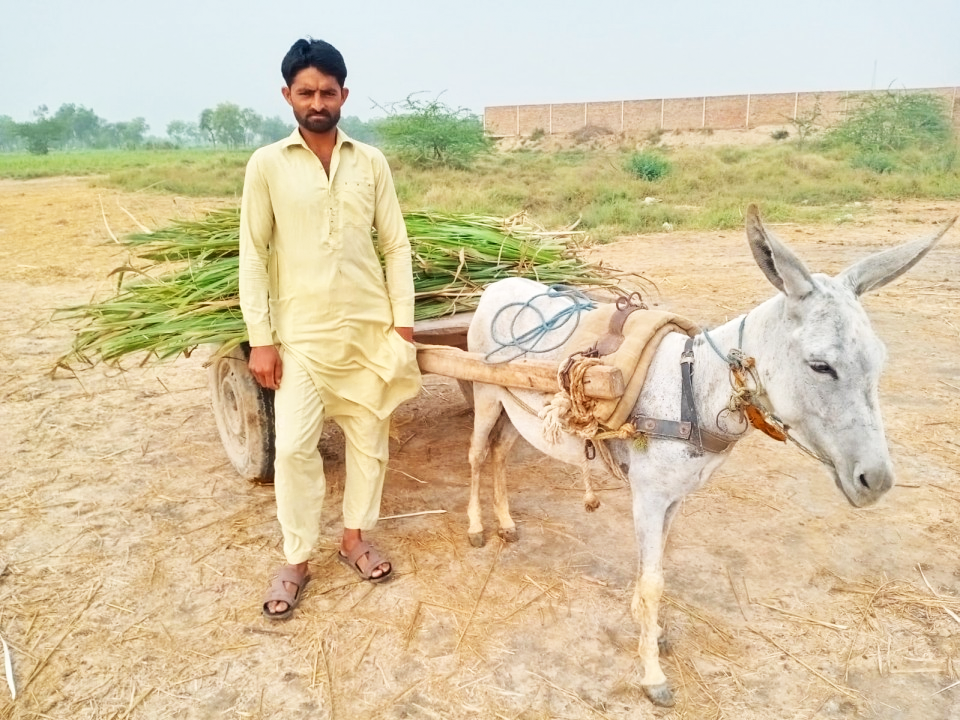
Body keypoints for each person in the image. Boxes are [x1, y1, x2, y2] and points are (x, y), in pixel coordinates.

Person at [239, 38, 421, 620]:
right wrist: (261, 338)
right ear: (287, 95)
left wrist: (405, 327)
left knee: (370, 444)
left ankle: (354, 538)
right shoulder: (267, 165)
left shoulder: (370, 161)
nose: (317, 101)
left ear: (344, 93)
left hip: (370, 333)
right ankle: (295, 558)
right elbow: (253, 252)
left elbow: (394, 244)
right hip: (302, 338)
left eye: (327, 91)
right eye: (305, 92)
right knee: (293, 448)